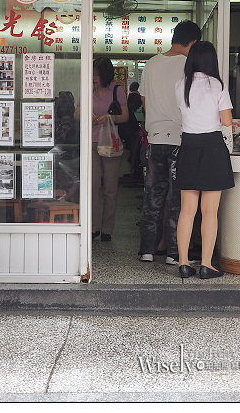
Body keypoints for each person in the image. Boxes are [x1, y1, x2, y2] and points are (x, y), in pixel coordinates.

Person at [137, 19, 202, 265]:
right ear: (193, 42)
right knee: (176, 198)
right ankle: (174, 253)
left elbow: (144, 99)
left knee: (152, 195)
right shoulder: (189, 65)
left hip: (154, 138)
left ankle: (147, 250)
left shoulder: (152, 63)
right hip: (179, 138)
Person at [174, 41, 234, 279]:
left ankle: (183, 263)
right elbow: (227, 121)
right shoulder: (217, 85)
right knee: (210, 212)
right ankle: (207, 265)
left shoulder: (180, 85)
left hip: (188, 145)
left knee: (187, 211)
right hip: (212, 147)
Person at [76, 57, 129, 242]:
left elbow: (125, 116)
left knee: (110, 187)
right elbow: (76, 113)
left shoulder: (116, 90)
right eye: (92, 74)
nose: (93, 77)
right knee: (92, 186)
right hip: (91, 141)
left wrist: (109, 117)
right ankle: (93, 226)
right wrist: (85, 114)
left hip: (110, 143)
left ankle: (107, 228)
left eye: (97, 74)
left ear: (105, 74)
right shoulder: (87, 89)